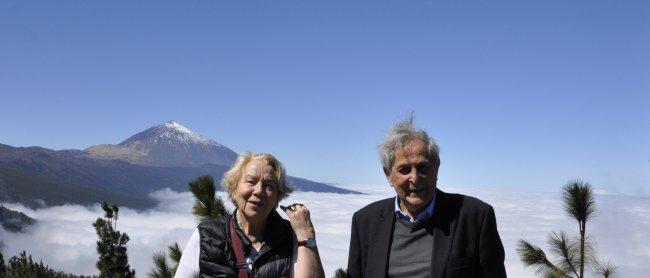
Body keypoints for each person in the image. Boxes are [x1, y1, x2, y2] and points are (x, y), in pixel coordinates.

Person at [347, 117, 506, 278]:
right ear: (388, 175)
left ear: (436, 168)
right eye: (404, 169)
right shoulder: (365, 222)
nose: (415, 178)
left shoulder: (474, 217)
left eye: (422, 167)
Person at [175, 152, 325, 278]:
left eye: (269, 185)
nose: (259, 191)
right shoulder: (207, 235)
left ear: (277, 197)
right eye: (251, 181)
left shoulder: (290, 238)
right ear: (234, 189)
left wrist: (306, 234)